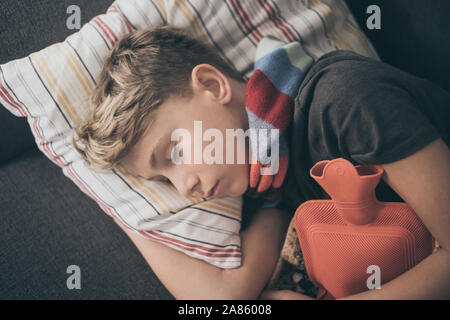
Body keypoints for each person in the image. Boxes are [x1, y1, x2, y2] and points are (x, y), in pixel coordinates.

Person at [72, 25, 450, 299]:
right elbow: (224, 301)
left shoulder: (344, 100)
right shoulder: (268, 185)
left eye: (175, 153)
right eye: (164, 180)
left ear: (211, 85)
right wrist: (128, 216)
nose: (184, 186)